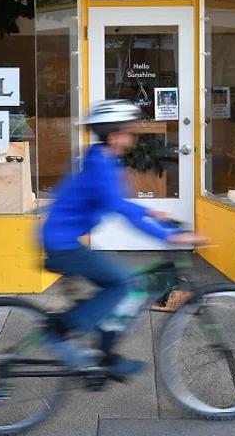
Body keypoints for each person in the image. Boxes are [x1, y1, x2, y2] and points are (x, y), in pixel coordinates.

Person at [39, 99, 204, 377]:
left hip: (62, 238)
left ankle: (105, 355)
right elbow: (120, 209)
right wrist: (169, 236)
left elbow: (121, 204)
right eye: (129, 130)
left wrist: (152, 211)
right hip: (61, 243)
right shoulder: (102, 167)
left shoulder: (102, 160)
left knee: (115, 290)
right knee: (123, 284)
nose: (133, 136)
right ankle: (59, 332)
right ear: (115, 135)